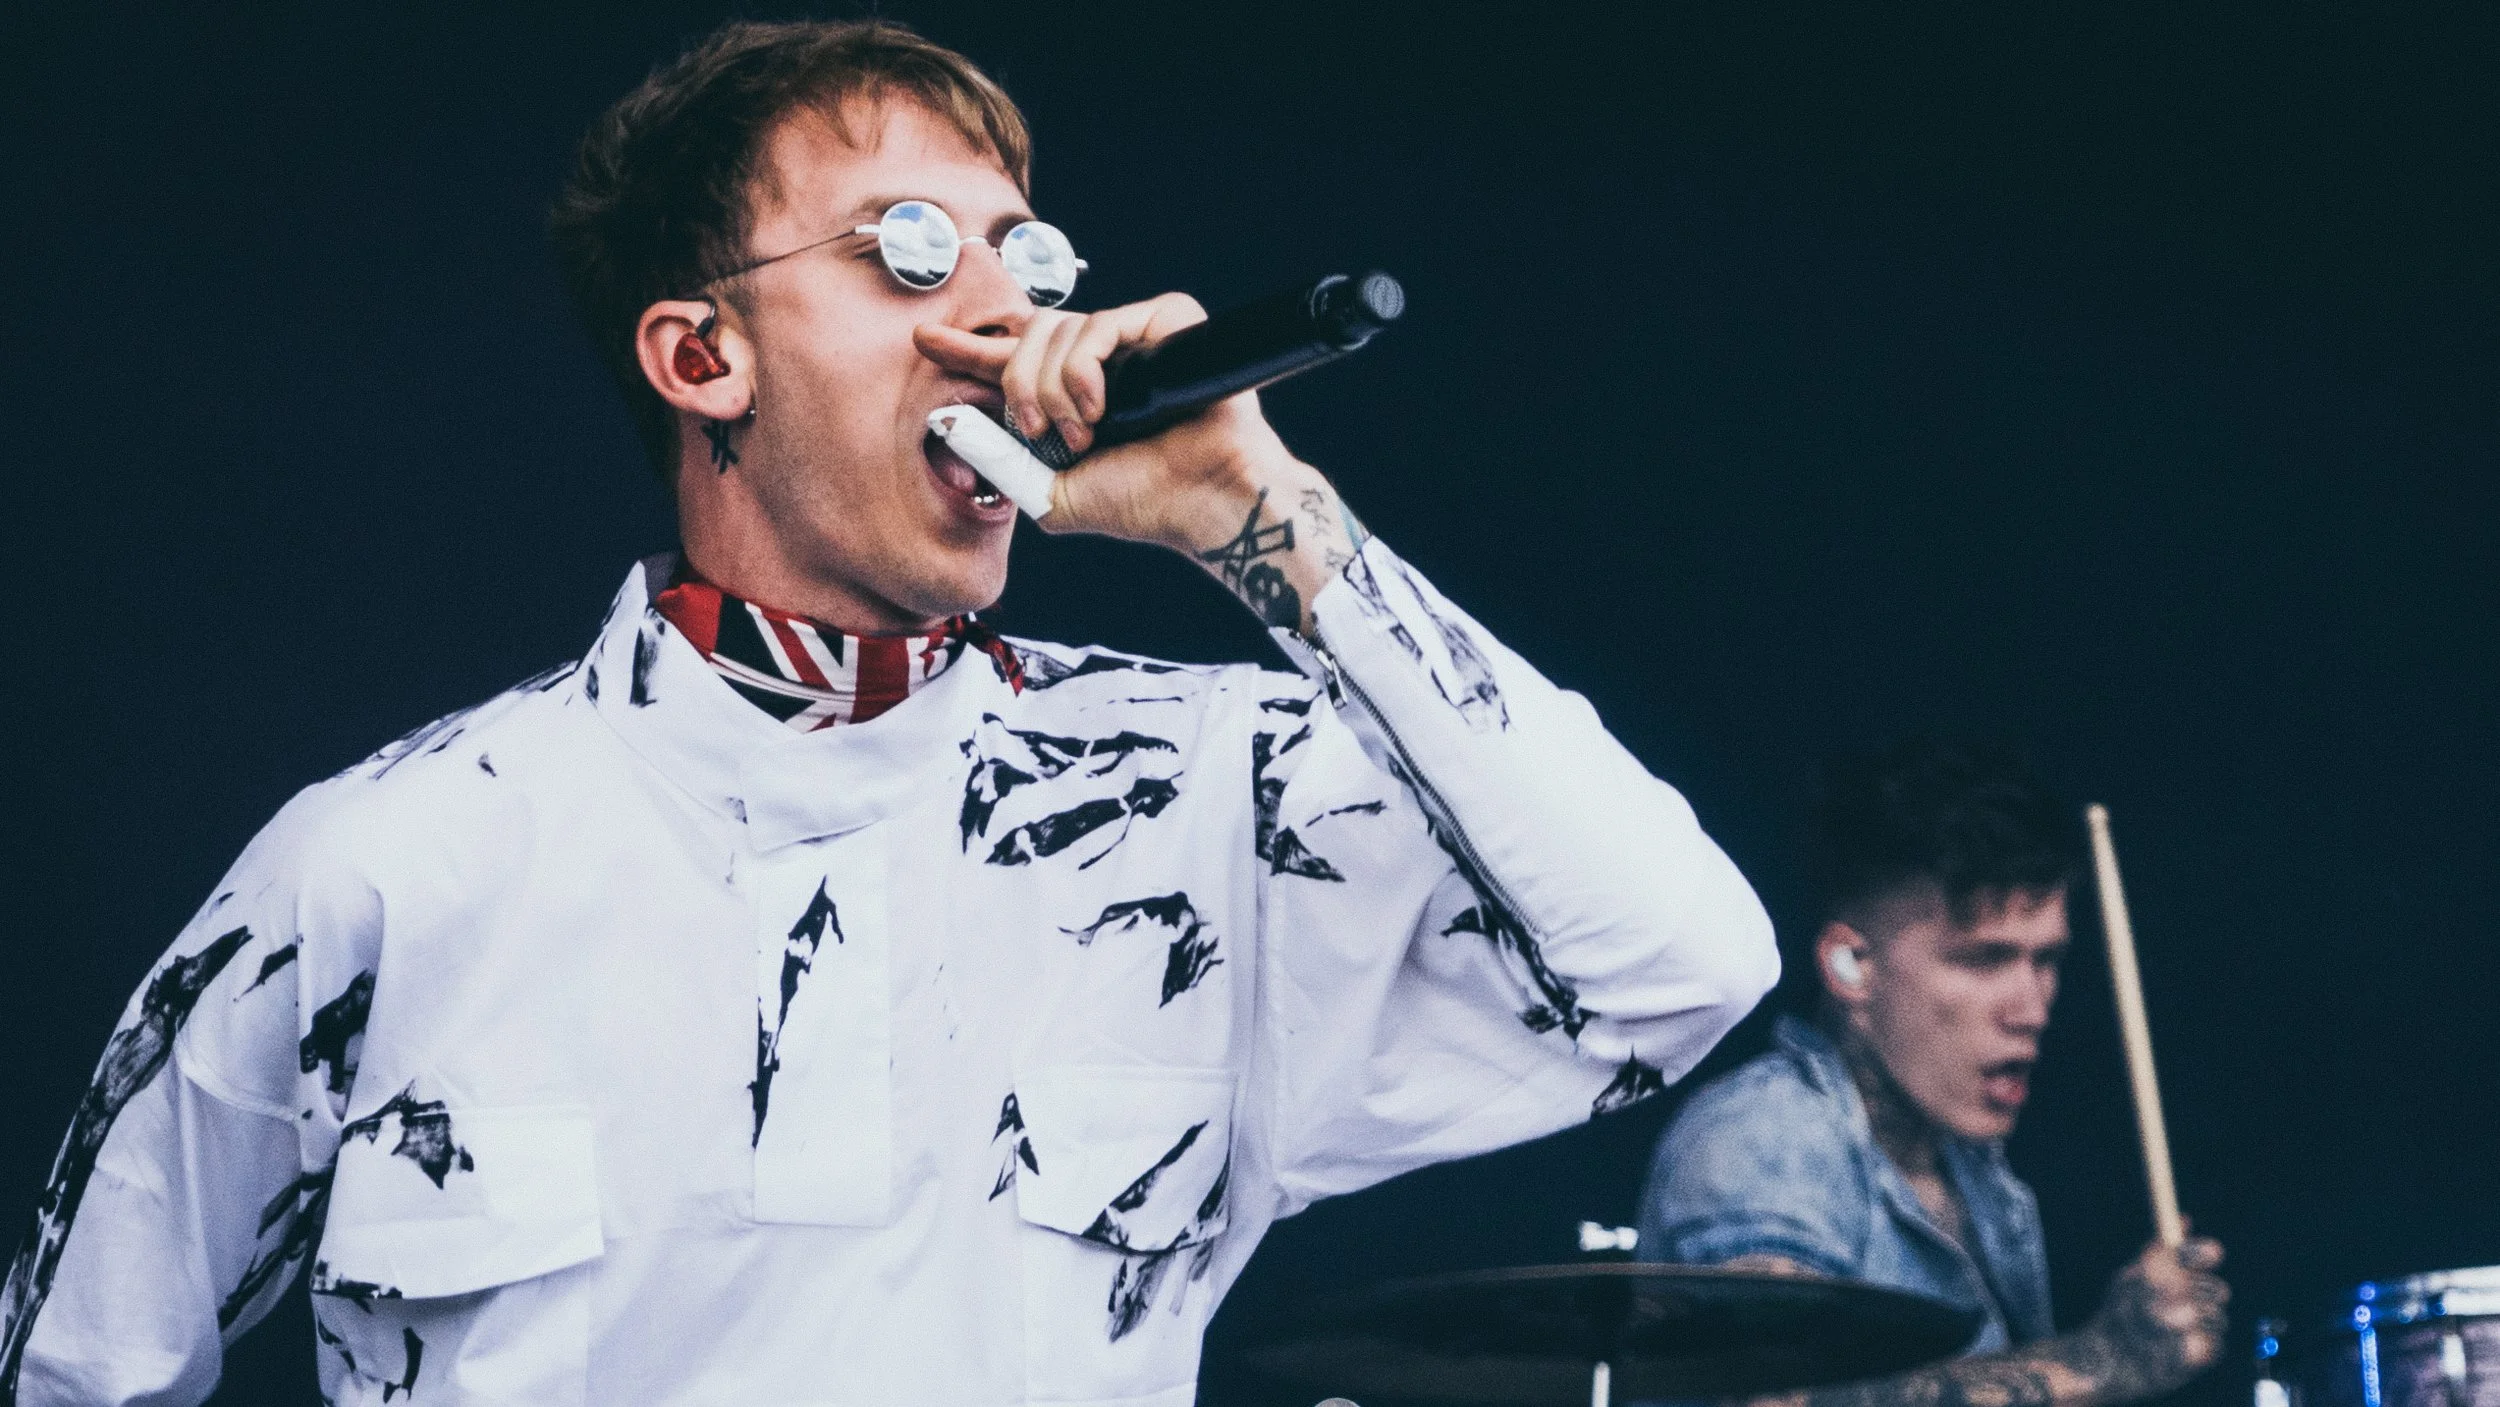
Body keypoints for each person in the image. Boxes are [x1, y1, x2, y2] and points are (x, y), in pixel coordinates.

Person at [0, 19, 1780, 1406]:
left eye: (1029, 255)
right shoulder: (393, 863)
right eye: (909, 251)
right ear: (703, 355)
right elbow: (77, 1364)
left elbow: (1685, 967)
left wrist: (1272, 532)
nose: (1006, 316)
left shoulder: (1209, 805)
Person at [1636, 739, 2229, 1407]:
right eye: (1984, 959)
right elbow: (1771, 1399)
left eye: (2046, 960)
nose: (2031, 1008)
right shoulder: (1765, 1135)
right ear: (1852, 965)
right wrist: (2099, 1358)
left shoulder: (1975, 1172)